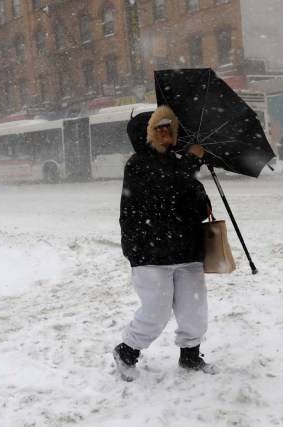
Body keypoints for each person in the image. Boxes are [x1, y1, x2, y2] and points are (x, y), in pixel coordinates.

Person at [113, 105, 216, 382]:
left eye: (168, 127)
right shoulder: (137, 164)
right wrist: (192, 162)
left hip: (186, 251)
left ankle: (190, 357)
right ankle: (126, 352)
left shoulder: (181, 163)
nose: (164, 132)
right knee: (155, 313)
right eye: (158, 128)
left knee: (195, 311)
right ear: (146, 135)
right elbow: (164, 190)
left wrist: (202, 199)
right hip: (151, 253)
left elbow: (190, 198)